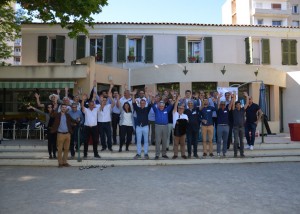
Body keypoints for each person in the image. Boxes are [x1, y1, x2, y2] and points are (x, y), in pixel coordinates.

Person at [132, 90, 152, 159]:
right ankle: (138, 154)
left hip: (146, 127)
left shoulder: (147, 109)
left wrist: (150, 96)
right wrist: (133, 95)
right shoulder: (137, 109)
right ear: (140, 103)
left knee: (146, 141)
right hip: (138, 127)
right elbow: (134, 103)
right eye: (141, 103)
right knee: (138, 141)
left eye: (143, 103)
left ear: (145, 103)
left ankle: (146, 154)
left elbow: (151, 103)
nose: (142, 104)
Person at [81, 94, 101, 158]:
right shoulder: (86, 110)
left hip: (95, 128)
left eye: (93, 105)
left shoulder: (96, 109)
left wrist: (97, 98)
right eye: (90, 105)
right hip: (87, 127)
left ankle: (96, 154)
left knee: (95, 141)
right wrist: (83, 99)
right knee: (86, 141)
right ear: (88, 105)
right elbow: (82, 106)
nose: (92, 106)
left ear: (94, 105)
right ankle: (85, 154)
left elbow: (102, 105)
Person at [231, 92, 249, 158]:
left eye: (239, 104)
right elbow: (232, 105)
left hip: (242, 127)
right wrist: (233, 98)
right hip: (235, 128)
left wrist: (247, 96)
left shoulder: (242, 110)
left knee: (242, 141)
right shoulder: (234, 110)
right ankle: (235, 153)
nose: (238, 105)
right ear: (235, 105)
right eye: (237, 105)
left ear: (240, 105)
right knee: (236, 141)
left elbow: (247, 104)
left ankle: (242, 153)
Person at [172, 95, 188, 159]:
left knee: (183, 144)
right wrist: (177, 100)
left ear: (183, 109)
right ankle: (175, 155)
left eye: (181, 108)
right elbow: (175, 107)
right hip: (176, 131)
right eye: (179, 108)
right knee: (175, 144)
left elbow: (187, 122)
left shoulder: (185, 115)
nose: (180, 109)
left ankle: (183, 154)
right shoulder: (175, 113)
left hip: (183, 131)